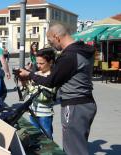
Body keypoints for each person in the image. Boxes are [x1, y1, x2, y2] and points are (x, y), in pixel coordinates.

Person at [19, 22, 97, 155]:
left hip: (74, 106)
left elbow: (51, 81)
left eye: (50, 41)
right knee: (79, 145)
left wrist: (30, 74)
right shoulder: (82, 50)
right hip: (86, 103)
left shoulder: (70, 55)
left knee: (74, 150)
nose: (50, 45)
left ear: (57, 36)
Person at [26, 48, 55, 139]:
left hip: (45, 114)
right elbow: (28, 93)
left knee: (47, 137)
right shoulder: (36, 74)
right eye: (37, 63)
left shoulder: (52, 77)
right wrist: (23, 81)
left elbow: (44, 97)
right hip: (33, 112)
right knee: (34, 137)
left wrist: (30, 86)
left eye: (41, 63)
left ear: (50, 62)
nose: (38, 66)